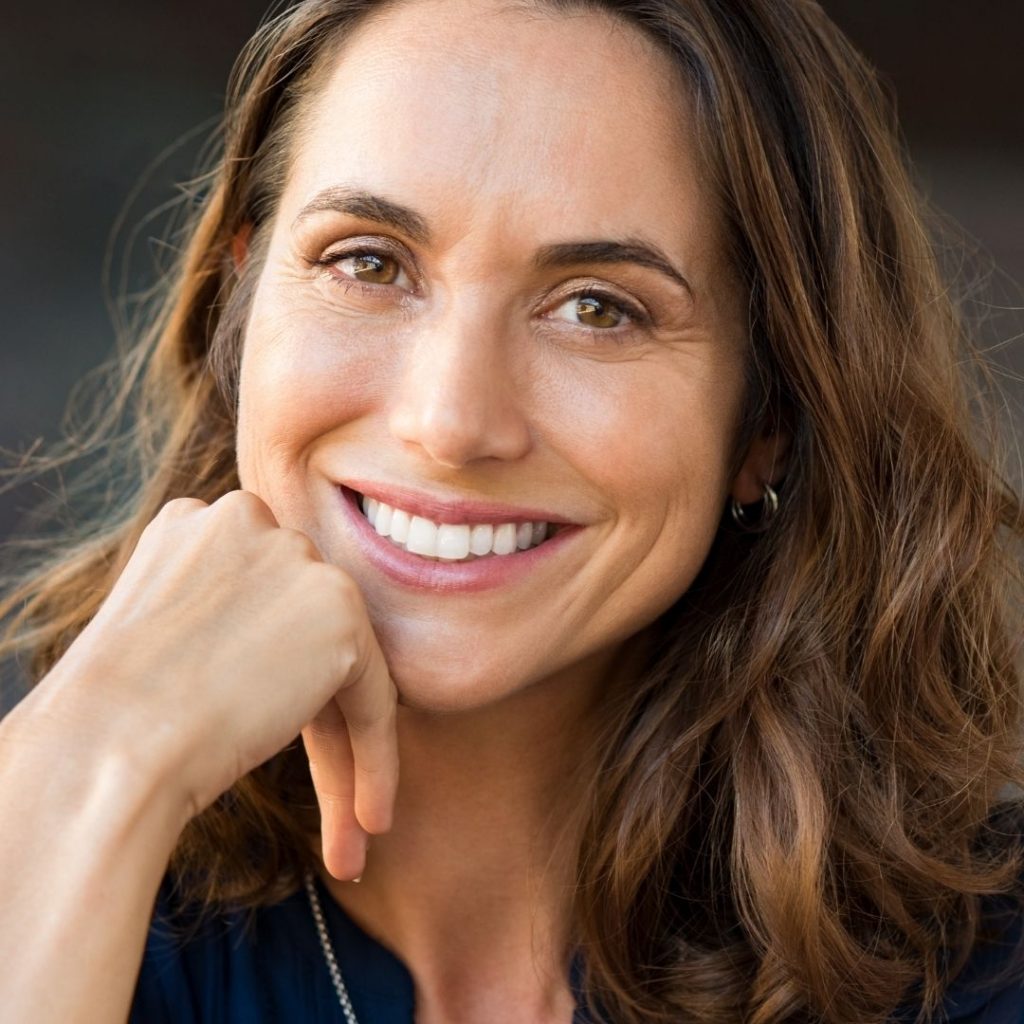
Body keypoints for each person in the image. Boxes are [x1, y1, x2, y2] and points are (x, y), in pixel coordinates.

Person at [2, 0, 1022, 1021]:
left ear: (769, 421)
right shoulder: (78, 858)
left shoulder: (983, 974)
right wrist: (88, 761)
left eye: (597, 308)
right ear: (244, 301)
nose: (450, 423)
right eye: (368, 262)